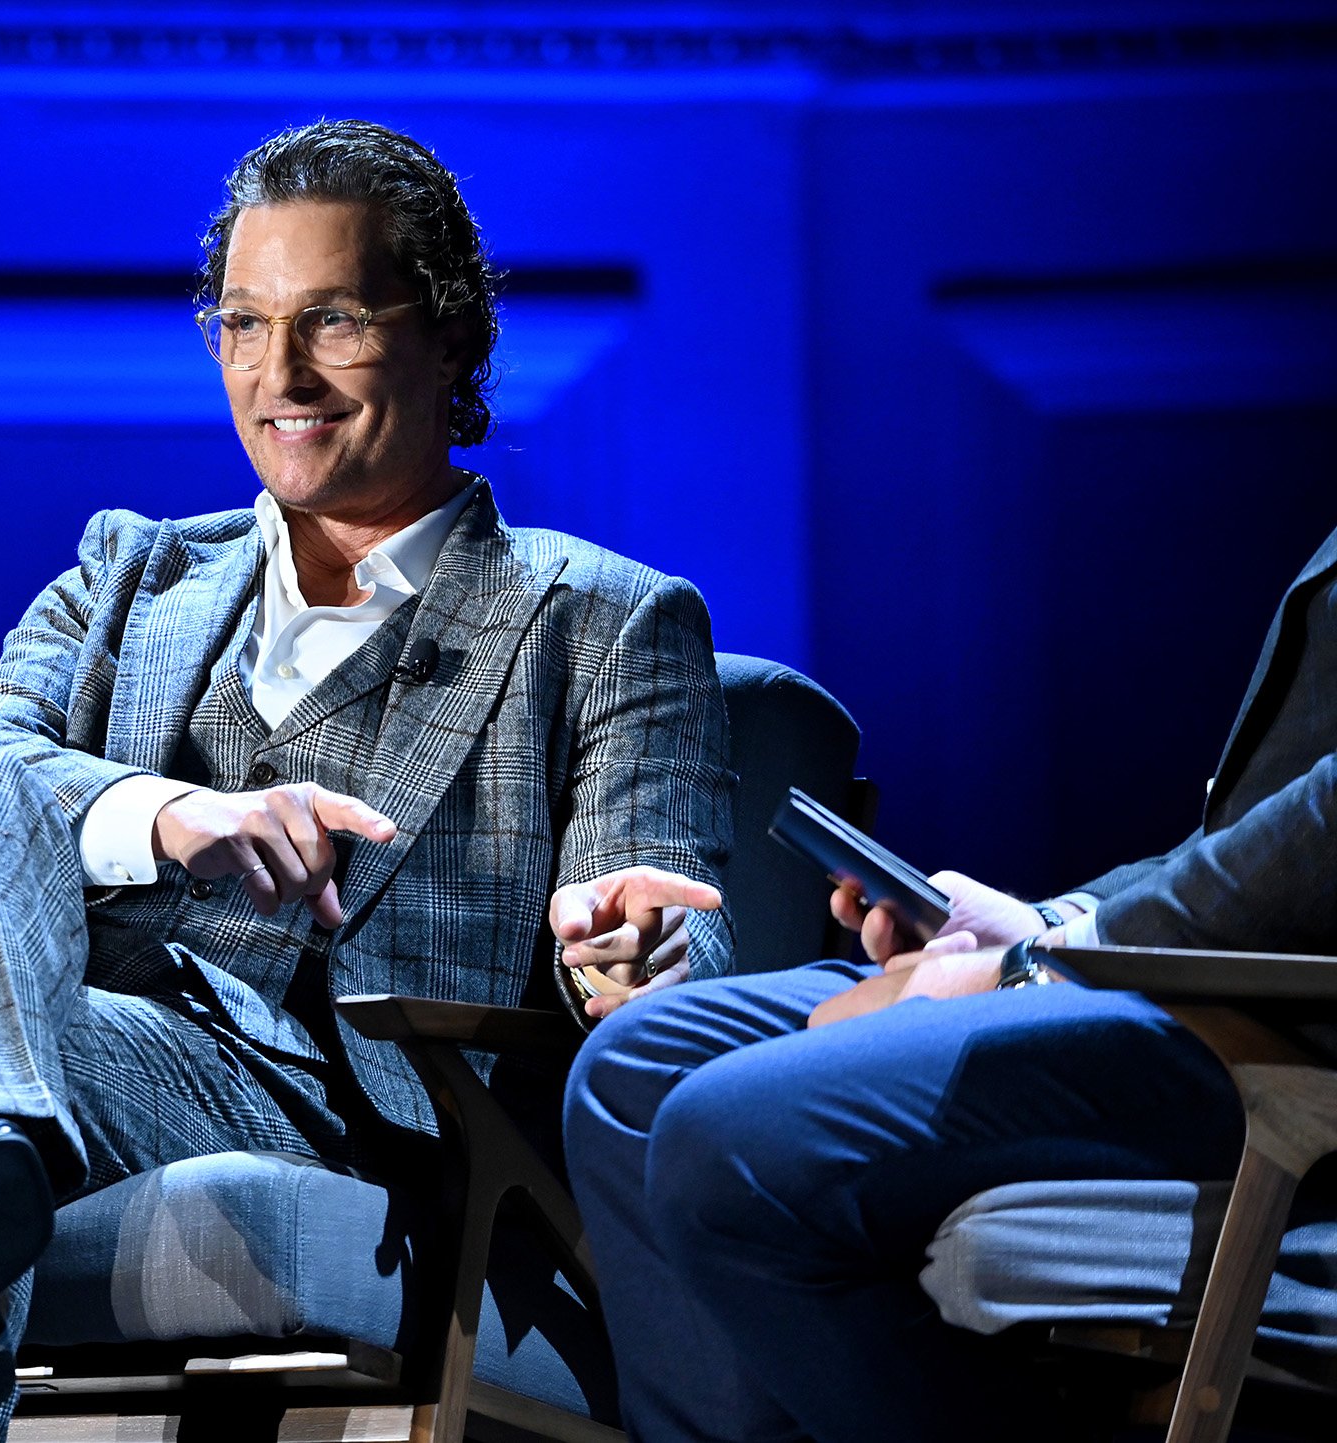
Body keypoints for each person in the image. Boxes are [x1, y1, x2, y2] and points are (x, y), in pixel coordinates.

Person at [0, 118, 736, 1443]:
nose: (278, 371)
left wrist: (632, 954)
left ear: (453, 336)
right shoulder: (131, 572)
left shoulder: (602, 620)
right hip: (88, 1053)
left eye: (333, 318)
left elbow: (669, 920)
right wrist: (176, 815)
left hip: (364, 1113)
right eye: (242, 321)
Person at [562, 523, 1337, 1443]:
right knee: (637, 1067)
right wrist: (1052, 921)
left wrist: (1039, 965)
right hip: (1198, 971)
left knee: (725, 1139)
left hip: (1282, 1025)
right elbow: (1264, 827)